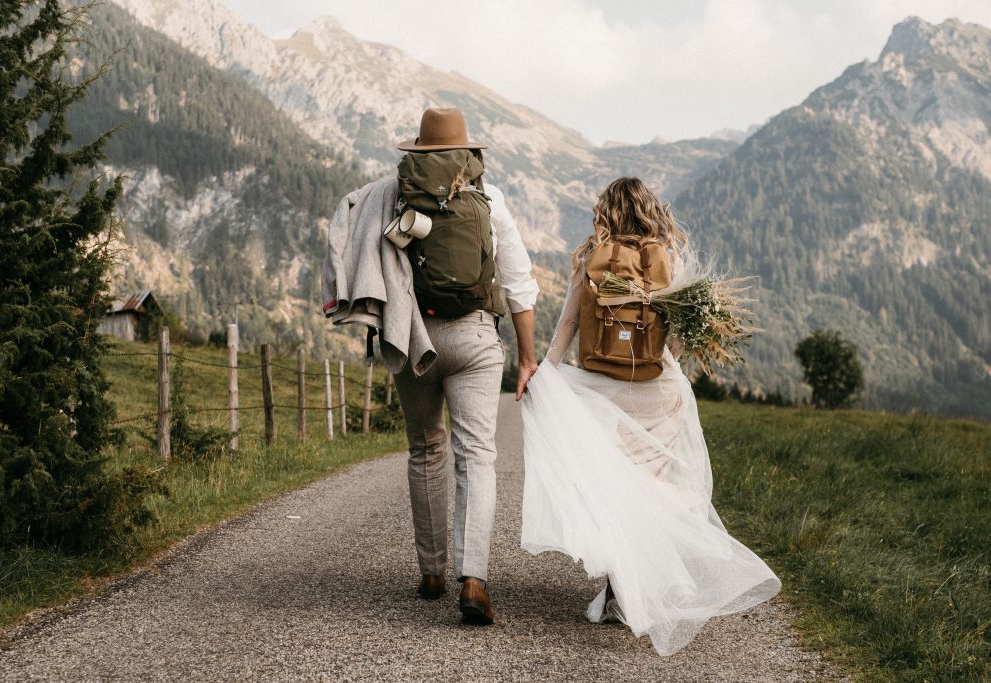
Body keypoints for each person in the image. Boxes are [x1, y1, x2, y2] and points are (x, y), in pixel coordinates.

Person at [520, 177, 780, 655]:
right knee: (648, 490)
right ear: (649, 210)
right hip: (658, 392)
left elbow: (568, 326)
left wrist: (543, 376)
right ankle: (634, 589)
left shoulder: (591, 259)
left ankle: (623, 588)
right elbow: (675, 340)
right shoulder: (665, 259)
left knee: (615, 492)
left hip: (602, 389)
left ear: (606, 212)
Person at [322, 108, 539, 625]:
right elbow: (519, 283)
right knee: (477, 457)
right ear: (468, 149)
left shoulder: (390, 193)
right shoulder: (488, 198)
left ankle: (432, 571)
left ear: (417, 148)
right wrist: (529, 357)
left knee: (425, 449)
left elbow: (361, 248)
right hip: (475, 339)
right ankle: (473, 578)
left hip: (413, 335)